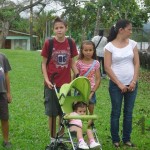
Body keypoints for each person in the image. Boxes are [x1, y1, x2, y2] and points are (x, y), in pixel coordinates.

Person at [41, 17, 79, 141]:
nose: (59, 30)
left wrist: (77, 73)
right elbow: (43, 63)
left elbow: (72, 62)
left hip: (66, 85)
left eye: (61, 27)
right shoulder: (49, 43)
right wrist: (46, 80)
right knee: (52, 113)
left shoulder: (71, 43)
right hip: (51, 85)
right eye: (56, 28)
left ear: (66, 28)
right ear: (53, 30)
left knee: (64, 113)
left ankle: (61, 138)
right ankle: (53, 139)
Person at [104, 19, 140, 148]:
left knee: (128, 113)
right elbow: (107, 67)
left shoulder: (133, 44)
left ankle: (126, 139)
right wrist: (119, 84)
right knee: (116, 112)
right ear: (121, 30)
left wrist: (133, 81)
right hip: (115, 86)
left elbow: (137, 63)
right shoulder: (109, 46)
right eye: (129, 29)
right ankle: (115, 139)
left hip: (132, 85)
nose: (131, 32)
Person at [76, 40, 100, 115]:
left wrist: (92, 92)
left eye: (90, 50)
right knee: (79, 109)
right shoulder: (78, 63)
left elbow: (98, 79)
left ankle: (91, 123)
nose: (88, 52)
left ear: (93, 51)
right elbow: (74, 77)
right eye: (86, 50)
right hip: (79, 90)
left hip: (90, 90)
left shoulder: (96, 63)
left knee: (91, 109)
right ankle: (79, 124)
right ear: (82, 51)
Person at [0, 53, 12, 148]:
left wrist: (8, 92)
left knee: (4, 118)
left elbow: (6, 75)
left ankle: (6, 140)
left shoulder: (3, 57)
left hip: (2, 93)